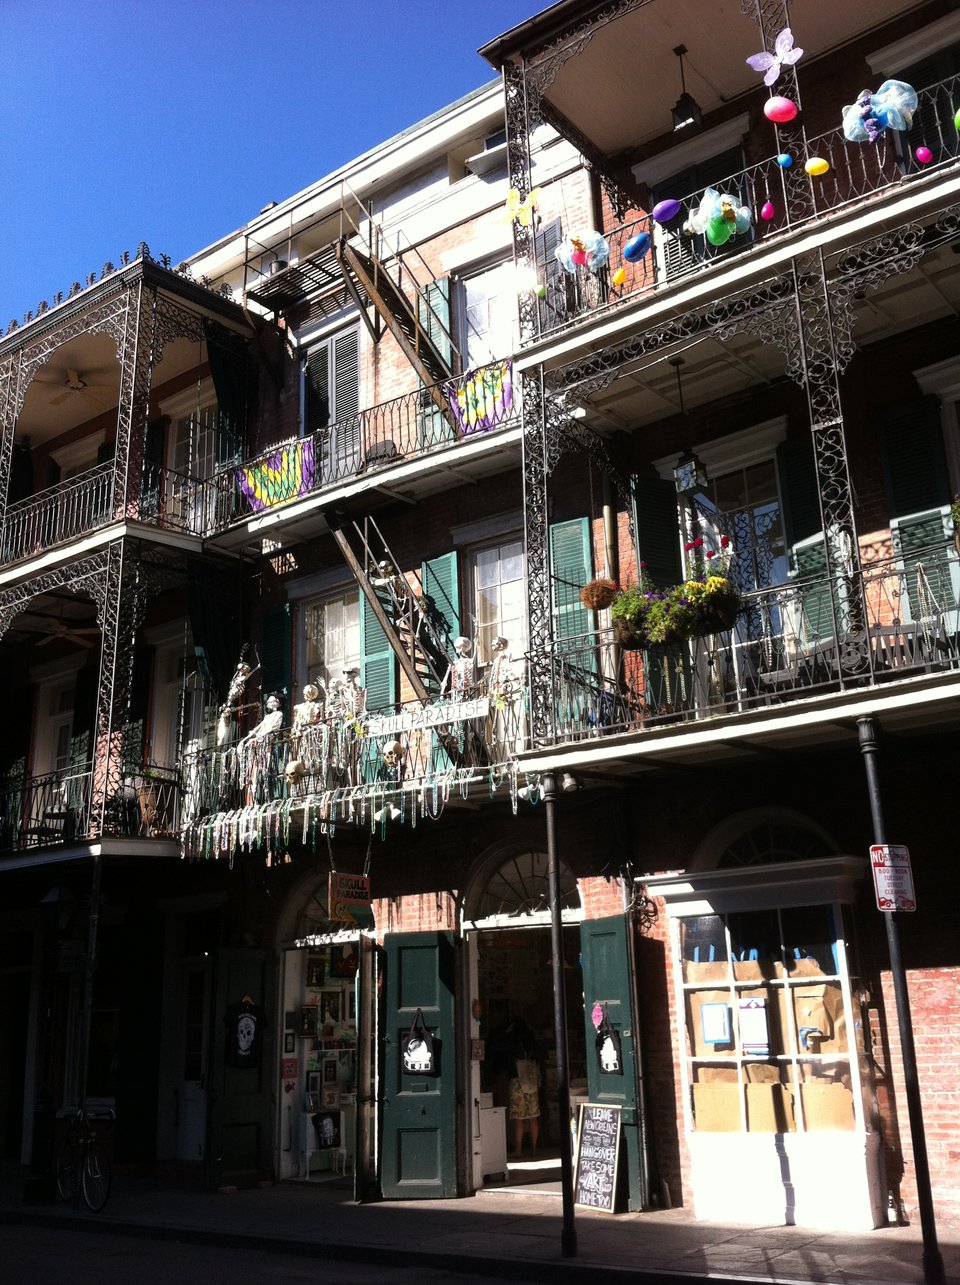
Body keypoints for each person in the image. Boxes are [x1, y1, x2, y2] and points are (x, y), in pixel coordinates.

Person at [488, 1016, 541, 1157]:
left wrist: (504, 1032)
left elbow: (494, 1044)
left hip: (517, 1081)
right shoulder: (532, 1042)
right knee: (533, 1117)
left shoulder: (512, 1042)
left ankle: (519, 1149)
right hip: (532, 1082)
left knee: (519, 1118)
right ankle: (534, 1149)